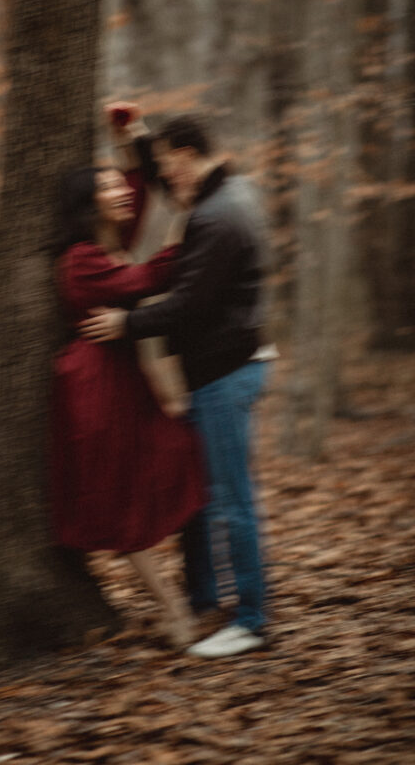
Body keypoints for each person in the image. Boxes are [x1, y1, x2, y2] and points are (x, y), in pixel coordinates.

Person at [82, 114, 272, 659]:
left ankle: (253, 621)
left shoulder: (216, 218)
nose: (167, 177)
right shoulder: (227, 190)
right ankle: (204, 601)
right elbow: (170, 188)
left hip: (226, 373)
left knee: (231, 501)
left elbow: (190, 303)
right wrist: (136, 137)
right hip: (223, 367)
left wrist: (126, 324)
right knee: (194, 492)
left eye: (169, 163)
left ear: (189, 155)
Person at [51, 159, 206, 650]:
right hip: (95, 391)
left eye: (119, 183)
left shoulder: (106, 242)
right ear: (87, 202)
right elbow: (139, 282)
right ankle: (175, 612)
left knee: (179, 459)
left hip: (122, 381)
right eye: (107, 186)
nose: (120, 191)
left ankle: (185, 602)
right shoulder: (82, 259)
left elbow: (131, 205)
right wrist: (188, 239)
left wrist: (128, 146)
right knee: (123, 498)